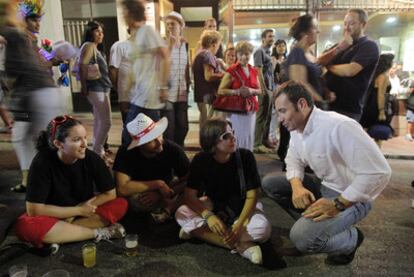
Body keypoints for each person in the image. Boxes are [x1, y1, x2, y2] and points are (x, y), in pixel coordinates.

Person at [262, 81, 391, 265]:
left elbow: (379, 173)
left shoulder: (339, 126)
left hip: (353, 198)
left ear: (302, 104)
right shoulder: (298, 127)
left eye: (283, 111)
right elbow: (293, 159)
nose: (280, 118)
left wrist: (339, 204)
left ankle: (351, 239)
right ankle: (317, 228)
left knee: (301, 238)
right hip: (325, 186)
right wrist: (297, 186)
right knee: (271, 183)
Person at [14, 115, 128, 249]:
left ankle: (59, 235)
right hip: (54, 214)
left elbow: (110, 193)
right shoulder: (42, 163)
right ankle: (98, 233)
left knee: (121, 204)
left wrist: (80, 209)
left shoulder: (91, 158)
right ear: (58, 144)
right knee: (24, 226)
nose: (85, 144)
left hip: (81, 211)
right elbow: (34, 210)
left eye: (85, 137)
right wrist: (77, 211)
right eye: (77, 140)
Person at [175, 118, 271, 265]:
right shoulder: (201, 159)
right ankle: (242, 247)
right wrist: (209, 216)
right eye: (226, 136)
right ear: (212, 142)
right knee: (181, 212)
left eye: (232, 133)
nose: (233, 138)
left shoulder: (245, 157)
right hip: (213, 205)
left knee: (262, 229)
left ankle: (198, 232)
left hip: (242, 206)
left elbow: (252, 196)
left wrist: (241, 225)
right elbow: (189, 195)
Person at [1, 1, 66, 193]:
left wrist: (54, 59)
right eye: (34, 20)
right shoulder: (22, 37)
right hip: (32, 97)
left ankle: (51, 182)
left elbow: (43, 63)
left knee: (39, 139)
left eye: (39, 20)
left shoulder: (24, 38)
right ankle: (32, 180)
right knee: (24, 137)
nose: (38, 24)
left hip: (34, 96)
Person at [113, 113, 190, 223]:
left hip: (168, 188)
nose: (159, 142)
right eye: (151, 140)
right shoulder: (125, 152)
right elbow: (122, 189)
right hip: (142, 191)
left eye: (159, 135)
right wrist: (157, 184)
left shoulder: (173, 149)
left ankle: (167, 210)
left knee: (196, 189)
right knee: (134, 202)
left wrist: (163, 193)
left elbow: (190, 180)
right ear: (139, 145)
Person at [120, 0, 170, 146]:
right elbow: (134, 69)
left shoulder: (147, 31)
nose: (123, 16)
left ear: (130, 13)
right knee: (143, 139)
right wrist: (127, 93)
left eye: (124, 12)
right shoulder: (135, 35)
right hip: (138, 95)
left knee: (133, 137)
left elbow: (165, 56)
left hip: (148, 95)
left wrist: (163, 87)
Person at [323, 9, 379, 121]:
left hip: (348, 109)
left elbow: (350, 70)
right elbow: (320, 60)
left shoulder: (369, 46)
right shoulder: (343, 44)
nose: (347, 27)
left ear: (363, 24)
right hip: (329, 104)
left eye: (352, 23)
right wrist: (340, 47)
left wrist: (328, 66)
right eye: (345, 23)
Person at [217, 41, 261, 150]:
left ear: (250, 54)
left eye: (246, 54)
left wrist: (251, 91)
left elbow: (260, 90)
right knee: (238, 137)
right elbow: (221, 90)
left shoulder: (253, 70)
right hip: (237, 110)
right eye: (240, 54)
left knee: (249, 136)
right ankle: (237, 160)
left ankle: (247, 159)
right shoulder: (232, 70)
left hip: (251, 109)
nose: (243, 57)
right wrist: (237, 92)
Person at [79, 21, 112, 159]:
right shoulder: (90, 46)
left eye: (101, 31)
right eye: (97, 31)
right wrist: (84, 87)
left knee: (99, 121)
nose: (100, 34)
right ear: (89, 32)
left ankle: (97, 151)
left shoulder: (95, 48)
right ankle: (97, 152)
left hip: (102, 88)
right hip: (96, 89)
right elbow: (82, 66)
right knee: (106, 122)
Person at [160, 11, 190, 148]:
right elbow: (159, 67)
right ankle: (170, 156)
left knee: (183, 127)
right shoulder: (162, 44)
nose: (169, 27)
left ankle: (179, 152)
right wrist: (170, 46)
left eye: (173, 24)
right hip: (167, 93)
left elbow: (186, 69)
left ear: (181, 26)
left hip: (182, 93)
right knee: (169, 129)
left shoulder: (185, 45)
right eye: (167, 24)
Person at [360, 53, 394, 146]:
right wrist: (382, 111)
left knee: (366, 130)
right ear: (388, 63)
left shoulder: (375, 75)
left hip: (369, 104)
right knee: (379, 134)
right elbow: (381, 95)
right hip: (376, 106)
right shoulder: (383, 76)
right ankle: (375, 156)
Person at [192, 30, 224, 128]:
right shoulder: (207, 55)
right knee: (209, 125)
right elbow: (208, 76)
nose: (218, 48)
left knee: (204, 121)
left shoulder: (198, 54)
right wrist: (224, 75)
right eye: (218, 45)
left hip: (201, 96)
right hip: (208, 96)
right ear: (213, 44)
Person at [253, 29, 275, 153]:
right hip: (264, 88)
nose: (272, 38)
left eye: (273, 36)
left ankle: (264, 140)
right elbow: (258, 71)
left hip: (270, 88)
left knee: (268, 116)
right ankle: (256, 143)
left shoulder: (268, 52)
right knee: (261, 115)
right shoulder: (259, 51)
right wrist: (263, 89)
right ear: (263, 38)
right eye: (269, 36)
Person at [109, 28, 133, 125]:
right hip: (126, 95)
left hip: (144, 96)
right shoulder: (119, 46)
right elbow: (113, 69)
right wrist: (117, 86)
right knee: (128, 124)